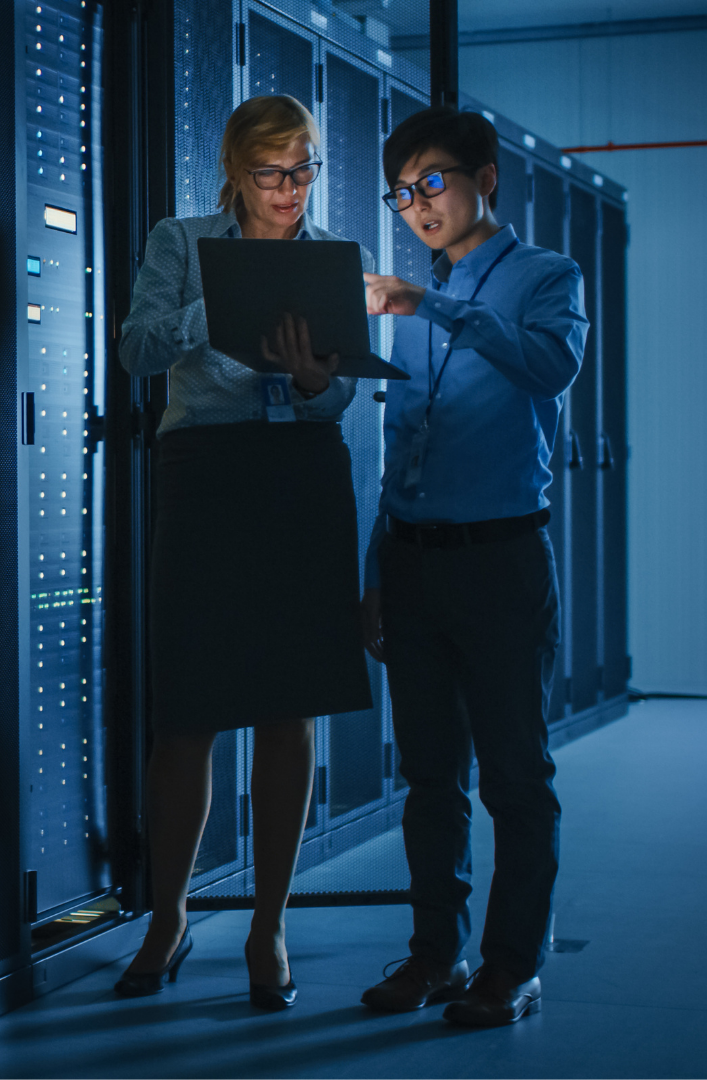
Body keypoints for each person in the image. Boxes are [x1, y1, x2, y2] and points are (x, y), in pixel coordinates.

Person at [115, 95, 374, 1010]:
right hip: (206, 473)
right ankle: (169, 915)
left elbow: (340, 400)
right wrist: (214, 307)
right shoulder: (180, 240)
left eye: (304, 170)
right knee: (187, 710)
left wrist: (313, 382)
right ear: (234, 172)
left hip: (300, 473)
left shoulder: (340, 258)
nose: (291, 191)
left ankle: (270, 924)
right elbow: (137, 349)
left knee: (289, 706)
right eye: (273, 174)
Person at [357, 106, 586, 1026]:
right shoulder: (408, 309)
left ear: (486, 177)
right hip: (413, 565)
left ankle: (512, 966)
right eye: (404, 193)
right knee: (429, 775)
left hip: (501, 561)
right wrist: (376, 569)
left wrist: (434, 305)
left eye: (434, 183)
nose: (418, 207)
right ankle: (432, 956)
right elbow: (401, 446)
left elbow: (550, 368)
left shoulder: (547, 276)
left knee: (515, 779)